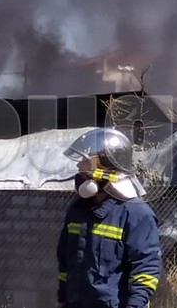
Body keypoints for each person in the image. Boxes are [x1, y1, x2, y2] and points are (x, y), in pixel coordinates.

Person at [56, 128, 162, 308]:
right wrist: (64, 298)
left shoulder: (136, 214)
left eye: (86, 161)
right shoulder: (77, 210)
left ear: (105, 167)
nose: (79, 166)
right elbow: (65, 261)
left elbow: (146, 267)